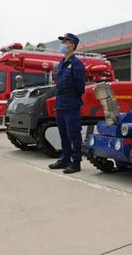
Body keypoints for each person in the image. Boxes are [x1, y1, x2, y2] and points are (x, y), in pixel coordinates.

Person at [48, 33, 86, 174]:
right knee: (63, 133)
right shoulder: (62, 63)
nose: (63, 44)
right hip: (60, 102)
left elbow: (80, 87)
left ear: (72, 45)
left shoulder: (76, 64)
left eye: (65, 41)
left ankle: (76, 162)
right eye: (62, 41)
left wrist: (70, 96)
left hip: (71, 102)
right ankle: (65, 158)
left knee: (73, 133)